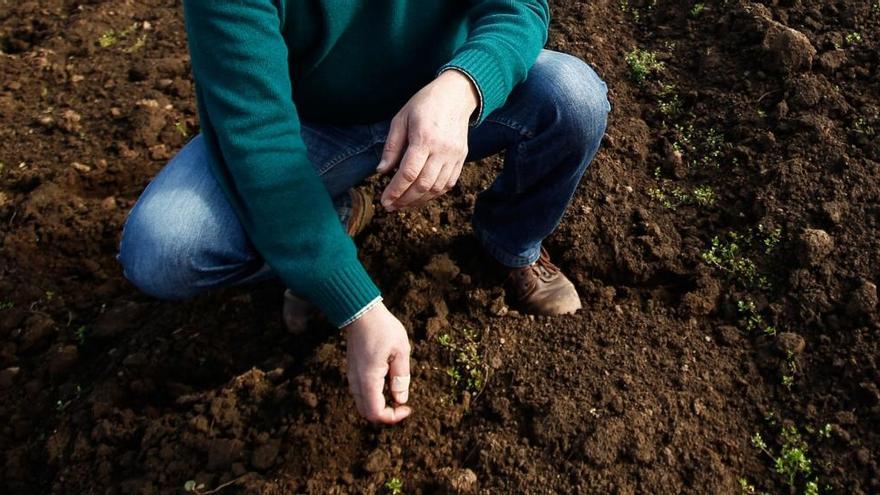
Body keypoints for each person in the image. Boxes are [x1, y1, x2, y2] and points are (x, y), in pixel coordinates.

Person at [118, 0, 610, 426]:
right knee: (165, 248)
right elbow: (258, 137)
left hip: (439, 88)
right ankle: (329, 221)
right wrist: (355, 307)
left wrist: (465, 86)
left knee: (572, 96)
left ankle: (510, 244)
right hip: (308, 124)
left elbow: (518, 6)